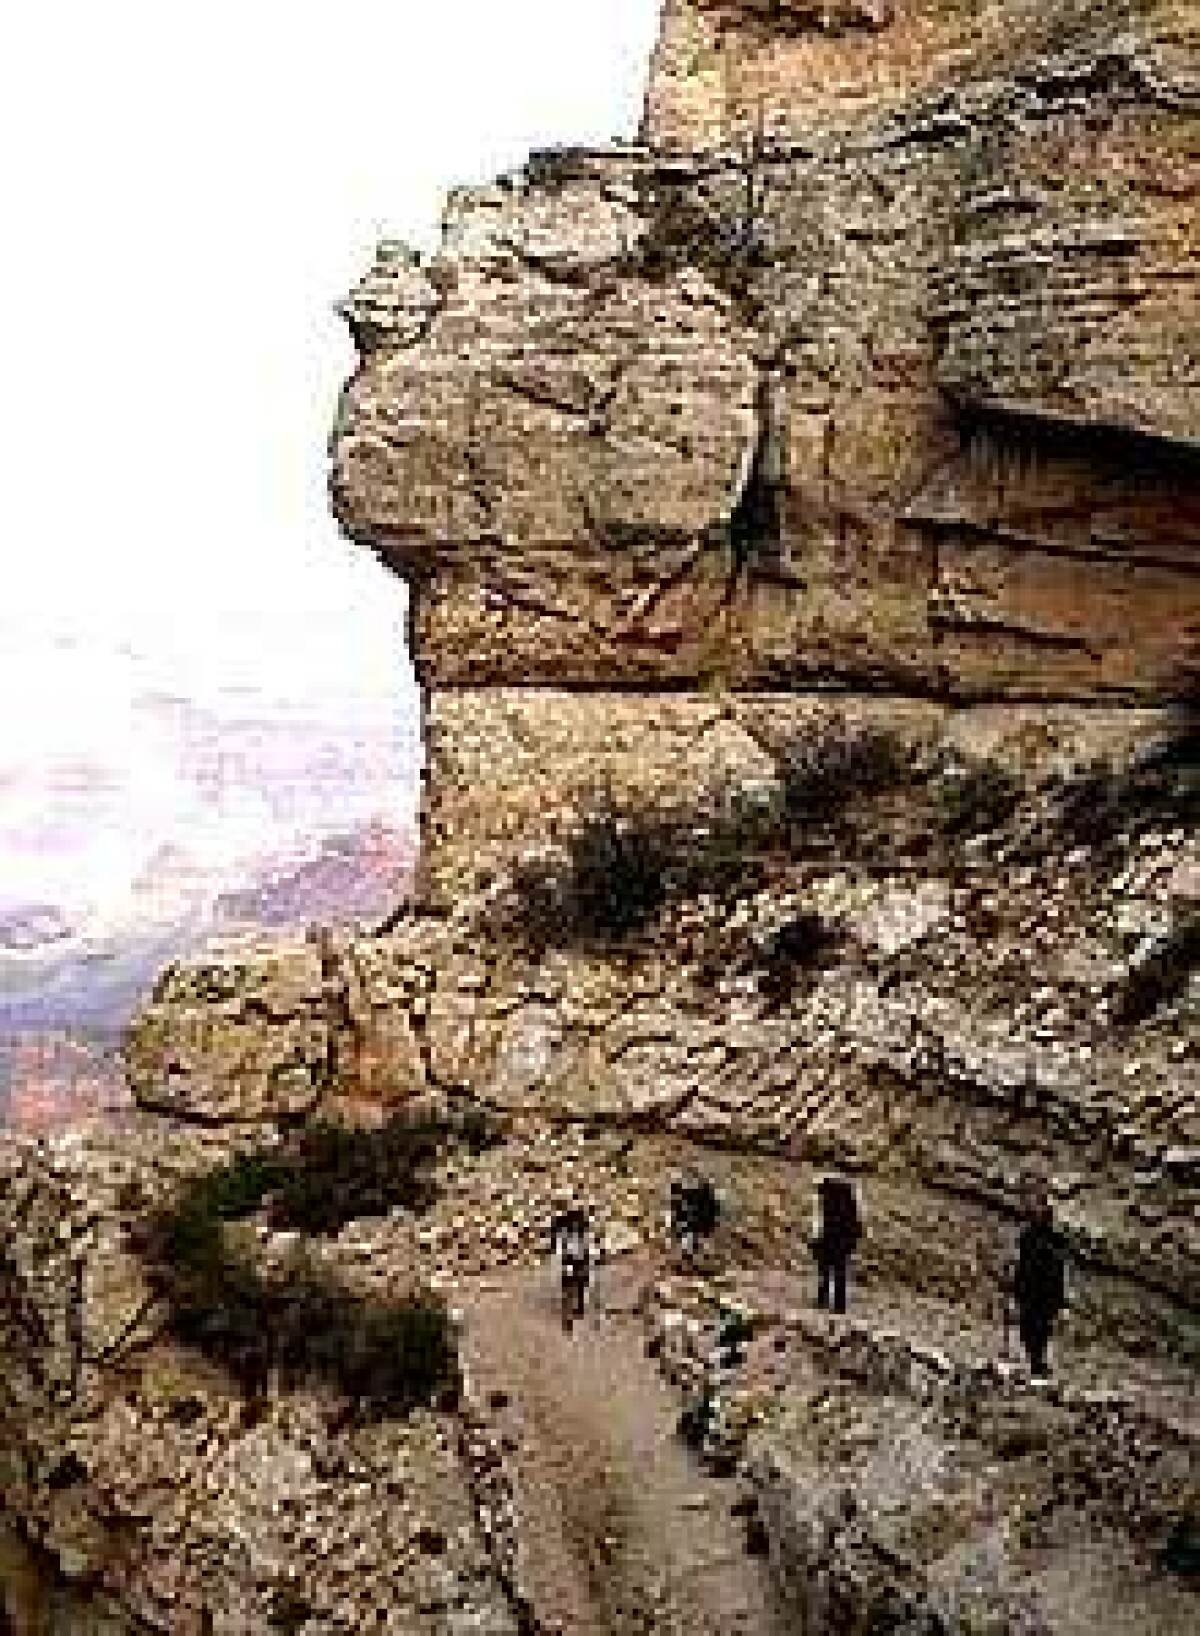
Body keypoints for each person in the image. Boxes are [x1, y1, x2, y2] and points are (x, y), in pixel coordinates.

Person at [1013, 1191, 1067, 1378]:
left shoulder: (1052, 1241)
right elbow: (1022, 1265)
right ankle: (1035, 1362)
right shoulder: (1029, 1238)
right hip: (1033, 1292)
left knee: (1039, 1330)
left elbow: (1057, 1270)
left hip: (1041, 1293)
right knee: (1031, 1329)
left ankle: (1037, 1362)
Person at [812, 1175, 860, 1314]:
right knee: (839, 1272)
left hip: (834, 1239)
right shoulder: (846, 1201)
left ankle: (826, 1300)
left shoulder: (831, 1202)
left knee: (828, 1270)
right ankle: (837, 1303)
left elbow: (824, 1224)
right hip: (840, 1240)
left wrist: (818, 1240)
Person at [549, 1202, 593, 1331]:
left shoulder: (582, 1224)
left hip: (578, 1258)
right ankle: (569, 1314)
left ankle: (577, 1307)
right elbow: (556, 1243)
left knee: (579, 1284)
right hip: (570, 1257)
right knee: (569, 1286)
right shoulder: (561, 1225)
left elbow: (588, 1240)